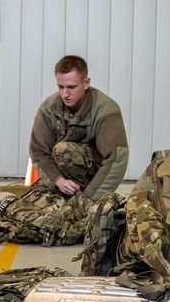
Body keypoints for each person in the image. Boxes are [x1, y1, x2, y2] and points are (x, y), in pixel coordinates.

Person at [28, 55, 129, 200]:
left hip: (95, 179)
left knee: (63, 150)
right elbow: (38, 152)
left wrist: (88, 199)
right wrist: (58, 181)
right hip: (63, 181)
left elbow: (116, 159)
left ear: (86, 83)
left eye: (71, 87)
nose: (65, 94)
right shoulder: (48, 108)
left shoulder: (106, 109)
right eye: (60, 87)